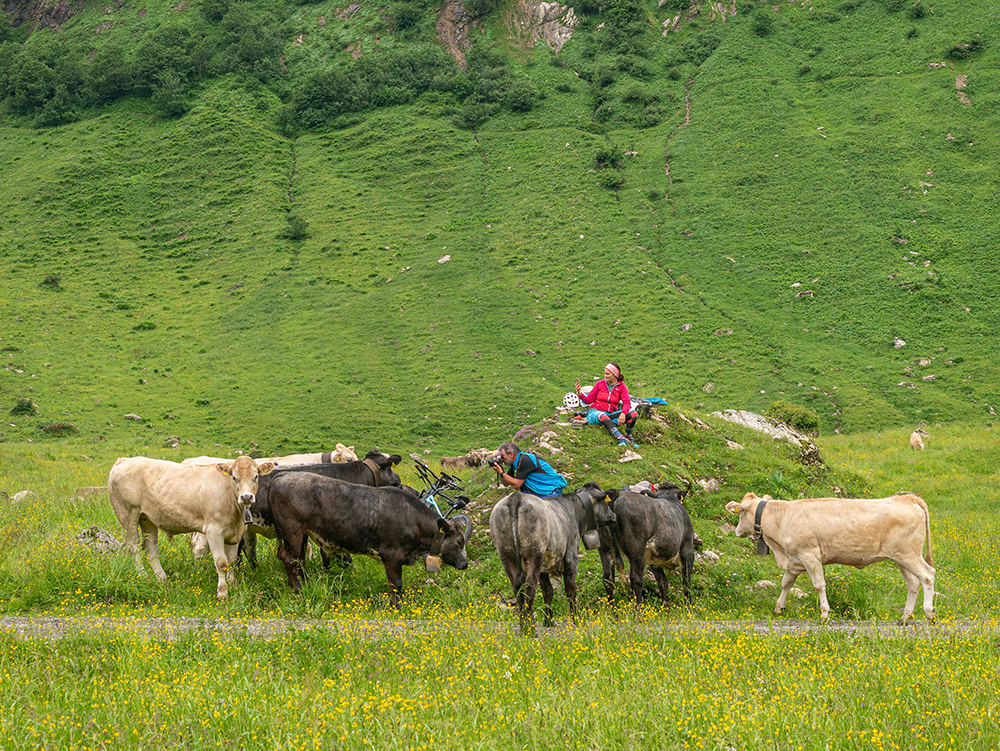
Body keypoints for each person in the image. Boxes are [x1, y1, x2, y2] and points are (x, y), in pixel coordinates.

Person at [575, 362, 638, 446]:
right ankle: (621, 438)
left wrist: (623, 414)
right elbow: (589, 400)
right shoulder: (599, 384)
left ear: (615, 375)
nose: (605, 376)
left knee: (633, 413)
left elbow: (626, 402)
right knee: (602, 415)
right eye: (605, 373)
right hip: (595, 413)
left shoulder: (622, 387)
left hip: (610, 415)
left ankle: (629, 436)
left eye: (608, 374)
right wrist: (580, 394)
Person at [491, 441, 567, 498]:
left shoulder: (524, 460)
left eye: (502, 456)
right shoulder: (515, 464)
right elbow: (506, 483)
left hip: (549, 490)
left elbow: (516, 485)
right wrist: (501, 470)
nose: (502, 459)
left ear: (511, 454)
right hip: (536, 491)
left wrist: (501, 472)